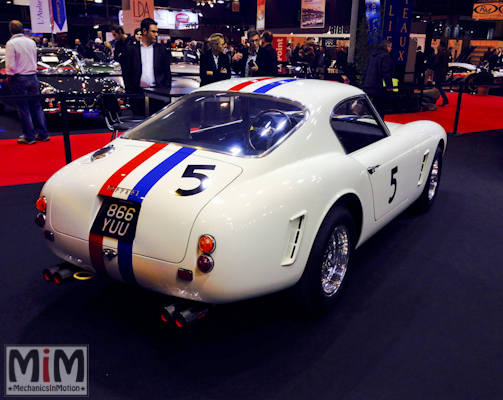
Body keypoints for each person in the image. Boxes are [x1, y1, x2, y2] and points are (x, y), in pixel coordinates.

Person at [5, 20, 49, 144]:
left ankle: (29, 137)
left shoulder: (11, 43)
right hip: (33, 76)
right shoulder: (31, 42)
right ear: (22, 29)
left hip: (19, 78)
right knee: (37, 107)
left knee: (24, 108)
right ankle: (43, 134)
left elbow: (11, 65)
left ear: (10, 31)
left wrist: (9, 78)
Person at [122, 17, 172, 115]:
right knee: (139, 125)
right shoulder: (131, 50)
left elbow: (167, 72)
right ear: (144, 31)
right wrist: (130, 91)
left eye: (157, 32)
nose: (156, 34)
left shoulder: (162, 49)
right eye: (153, 32)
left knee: (157, 125)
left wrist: (165, 89)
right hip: (137, 94)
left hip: (158, 93)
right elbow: (126, 72)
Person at [362, 39, 395, 119]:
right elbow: (386, 72)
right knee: (380, 110)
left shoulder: (373, 55)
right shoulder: (385, 56)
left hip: (369, 86)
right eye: (390, 47)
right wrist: (389, 86)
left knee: (371, 110)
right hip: (378, 87)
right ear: (387, 47)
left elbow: (366, 70)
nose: (391, 49)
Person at [433, 41, 449, 106]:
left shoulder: (441, 53)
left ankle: (444, 99)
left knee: (438, 86)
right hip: (443, 71)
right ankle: (443, 99)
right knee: (438, 86)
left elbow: (436, 62)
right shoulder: (447, 53)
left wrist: (433, 68)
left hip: (439, 71)